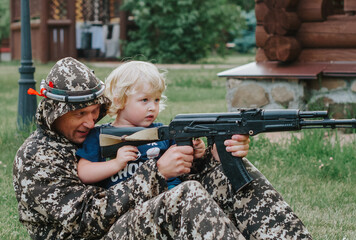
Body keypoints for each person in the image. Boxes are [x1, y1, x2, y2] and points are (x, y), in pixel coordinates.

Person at [13, 57, 312, 239]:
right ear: (55, 112)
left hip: (131, 219)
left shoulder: (108, 132)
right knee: (185, 196)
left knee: (228, 175)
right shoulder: (37, 157)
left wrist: (212, 156)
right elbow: (84, 220)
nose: (91, 122)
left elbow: (167, 161)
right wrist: (156, 173)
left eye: (94, 111)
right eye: (80, 114)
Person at [76, 61, 205, 189]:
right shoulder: (100, 136)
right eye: (144, 100)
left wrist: (194, 151)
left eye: (157, 100)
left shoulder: (162, 132)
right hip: (128, 201)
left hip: (171, 192)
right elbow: (84, 172)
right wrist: (116, 163)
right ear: (119, 100)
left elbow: (182, 159)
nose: (153, 107)